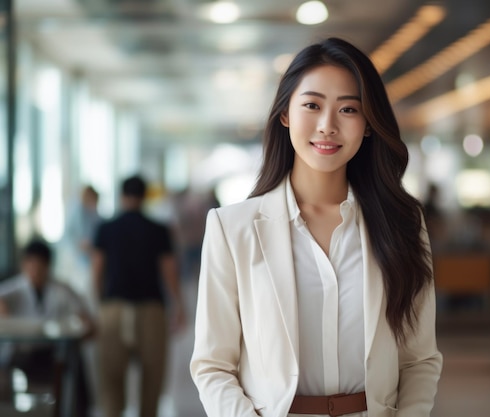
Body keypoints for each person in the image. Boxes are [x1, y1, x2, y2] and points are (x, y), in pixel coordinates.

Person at [190, 37, 442, 417]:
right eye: (312, 105)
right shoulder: (232, 229)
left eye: (348, 109)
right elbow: (212, 365)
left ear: (369, 125)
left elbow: (418, 359)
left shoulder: (402, 224)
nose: (327, 126)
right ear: (285, 114)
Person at [92, 175, 186, 417]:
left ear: (122, 197)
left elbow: (97, 271)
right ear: (144, 197)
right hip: (151, 310)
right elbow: (169, 271)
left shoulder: (106, 228)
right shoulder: (158, 230)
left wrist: (99, 306)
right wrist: (179, 305)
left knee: (111, 380)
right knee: (152, 380)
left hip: (114, 308)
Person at [0, 239, 95, 416]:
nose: (35, 271)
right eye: (30, 264)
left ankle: (73, 411)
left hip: (51, 355)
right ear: (23, 265)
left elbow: (87, 321)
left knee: (74, 364)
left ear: (48, 266)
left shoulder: (61, 289)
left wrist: (83, 324)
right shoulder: (15, 289)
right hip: (21, 354)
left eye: (40, 265)